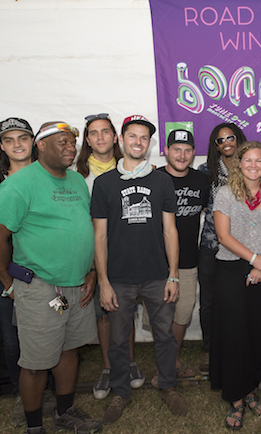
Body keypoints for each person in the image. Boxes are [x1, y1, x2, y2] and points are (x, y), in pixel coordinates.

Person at [0, 121, 102, 434]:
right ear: (41, 145)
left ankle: (66, 412)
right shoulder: (21, 183)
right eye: (62, 142)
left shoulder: (77, 181)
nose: (70, 148)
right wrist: (10, 285)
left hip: (76, 286)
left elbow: (83, 229)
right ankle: (34, 425)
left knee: (69, 350)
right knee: (36, 362)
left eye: (72, 143)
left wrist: (90, 270)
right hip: (40, 287)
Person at [91, 115, 187, 424]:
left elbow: (170, 231)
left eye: (144, 137)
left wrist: (173, 274)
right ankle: (121, 391)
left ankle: (168, 386)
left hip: (157, 274)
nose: (138, 142)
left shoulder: (161, 181)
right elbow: (100, 236)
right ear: (121, 139)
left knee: (165, 335)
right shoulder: (104, 184)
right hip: (118, 277)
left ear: (149, 143)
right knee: (118, 339)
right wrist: (103, 281)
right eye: (132, 136)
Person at [210, 141, 261, 430]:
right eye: (248, 160)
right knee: (235, 335)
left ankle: (252, 386)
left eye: (259, 161)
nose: (253, 165)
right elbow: (223, 235)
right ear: (239, 164)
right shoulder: (225, 194)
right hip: (232, 269)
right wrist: (254, 260)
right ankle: (236, 398)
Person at [0, 118, 47, 425]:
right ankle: (23, 394)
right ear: (2, 146)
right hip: (5, 274)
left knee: (50, 335)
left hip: (45, 273)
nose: (17, 144)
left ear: (33, 141)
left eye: (23, 137)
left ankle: (49, 391)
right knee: (11, 339)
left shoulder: (51, 176)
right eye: (9, 139)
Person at [74, 113, 144, 400]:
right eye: (94, 133)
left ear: (115, 137)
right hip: (92, 251)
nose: (100, 137)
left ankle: (127, 363)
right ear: (87, 140)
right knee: (104, 312)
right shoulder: (77, 174)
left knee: (124, 311)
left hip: (124, 250)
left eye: (106, 131)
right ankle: (107, 366)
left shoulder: (129, 168)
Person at [154, 129, 209, 383]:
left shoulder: (201, 181)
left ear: (194, 153)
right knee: (160, 315)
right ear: (166, 151)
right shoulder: (153, 178)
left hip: (188, 259)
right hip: (156, 259)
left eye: (187, 150)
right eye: (176, 149)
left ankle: (172, 359)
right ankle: (165, 363)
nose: (182, 155)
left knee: (183, 313)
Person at [197, 122, 246, 373]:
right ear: (215, 145)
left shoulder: (250, 166)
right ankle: (209, 349)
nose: (226, 142)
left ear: (238, 139)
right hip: (211, 245)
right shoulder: (205, 171)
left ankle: (235, 346)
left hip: (241, 246)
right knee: (208, 301)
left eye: (230, 137)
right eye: (220, 139)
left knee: (237, 299)